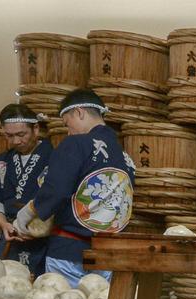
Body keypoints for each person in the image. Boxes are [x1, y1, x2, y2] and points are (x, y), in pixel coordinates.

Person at [15, 88, 134, 287]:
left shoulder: (76, 144)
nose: (68, 131)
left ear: (79, 112)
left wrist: (26, 214)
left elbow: (56, 190)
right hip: (107, 256)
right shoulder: (124, 156)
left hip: (68, 252)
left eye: (67, 124)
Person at [0, 103, 53, 276]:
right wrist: (3, 224)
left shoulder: (54, 157)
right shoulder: (1, 162)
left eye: (21, 134)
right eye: (9, 136)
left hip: (43, 238)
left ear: (35, 129)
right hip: (10, 234)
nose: (15, 141)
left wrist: (39, 227)